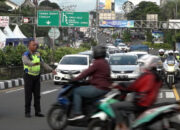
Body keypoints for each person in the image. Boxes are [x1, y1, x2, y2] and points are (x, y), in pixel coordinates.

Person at [110, 55, 163, 130]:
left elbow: (134, 86)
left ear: (148, 64)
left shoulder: (147, 75)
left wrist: (119, 85)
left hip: (141, 103)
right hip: (149, 102)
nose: (141, 66)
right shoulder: (156, 76)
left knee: (114, 105)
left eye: (142, 64)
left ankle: (122, 127)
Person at [69, 45, 112, 120]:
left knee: (77, 91)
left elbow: (86, 73)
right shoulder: (105, 62)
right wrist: (87, 81)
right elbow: (99, 76)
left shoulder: (97, 62)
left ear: (97, 53)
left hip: (99, 88)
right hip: (105, 88)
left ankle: (77, 113)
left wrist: (75, 79)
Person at [22, 40, 57, 118]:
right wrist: (34, 64)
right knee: (28, 96)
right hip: (28, 76)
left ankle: (38, 111)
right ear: (29, 46)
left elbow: (43, 64)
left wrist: (51, 70)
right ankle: (27, 112)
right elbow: (26, 62)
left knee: (37, 96)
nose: (35, 46)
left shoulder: (38, 54)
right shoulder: (26, 54)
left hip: (37, 76)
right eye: (33, 45)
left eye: (36, 45)